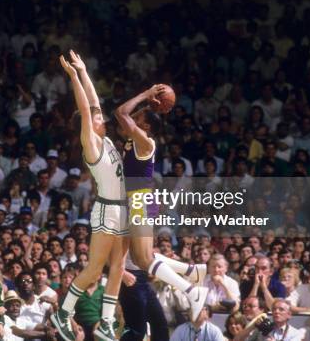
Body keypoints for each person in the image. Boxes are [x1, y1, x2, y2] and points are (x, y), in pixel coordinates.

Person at [50, 51, 128, 341]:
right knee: (94, 269)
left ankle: (107, 322)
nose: (101, 115)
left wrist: (83, 71)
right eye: (97, 117)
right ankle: (63, 313)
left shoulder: (105, 138)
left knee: (118, 266)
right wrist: (72, 78)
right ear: (88, 124)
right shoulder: (91, 143)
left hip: (122, 209)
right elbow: (86, 108)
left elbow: (94, 102)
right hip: (107, 209)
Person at [114, 84, 208, 322]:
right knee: (139, 256)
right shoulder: (136, 137)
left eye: (140, 117)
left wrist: (145, 94)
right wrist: (148, 104)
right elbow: (122, 119)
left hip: (140, 200)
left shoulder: (145, 141)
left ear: (145, 126)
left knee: (144, 259)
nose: (135, 117)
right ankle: (191, 271)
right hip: (136, 200)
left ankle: (192, 291)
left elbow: (121, 113)